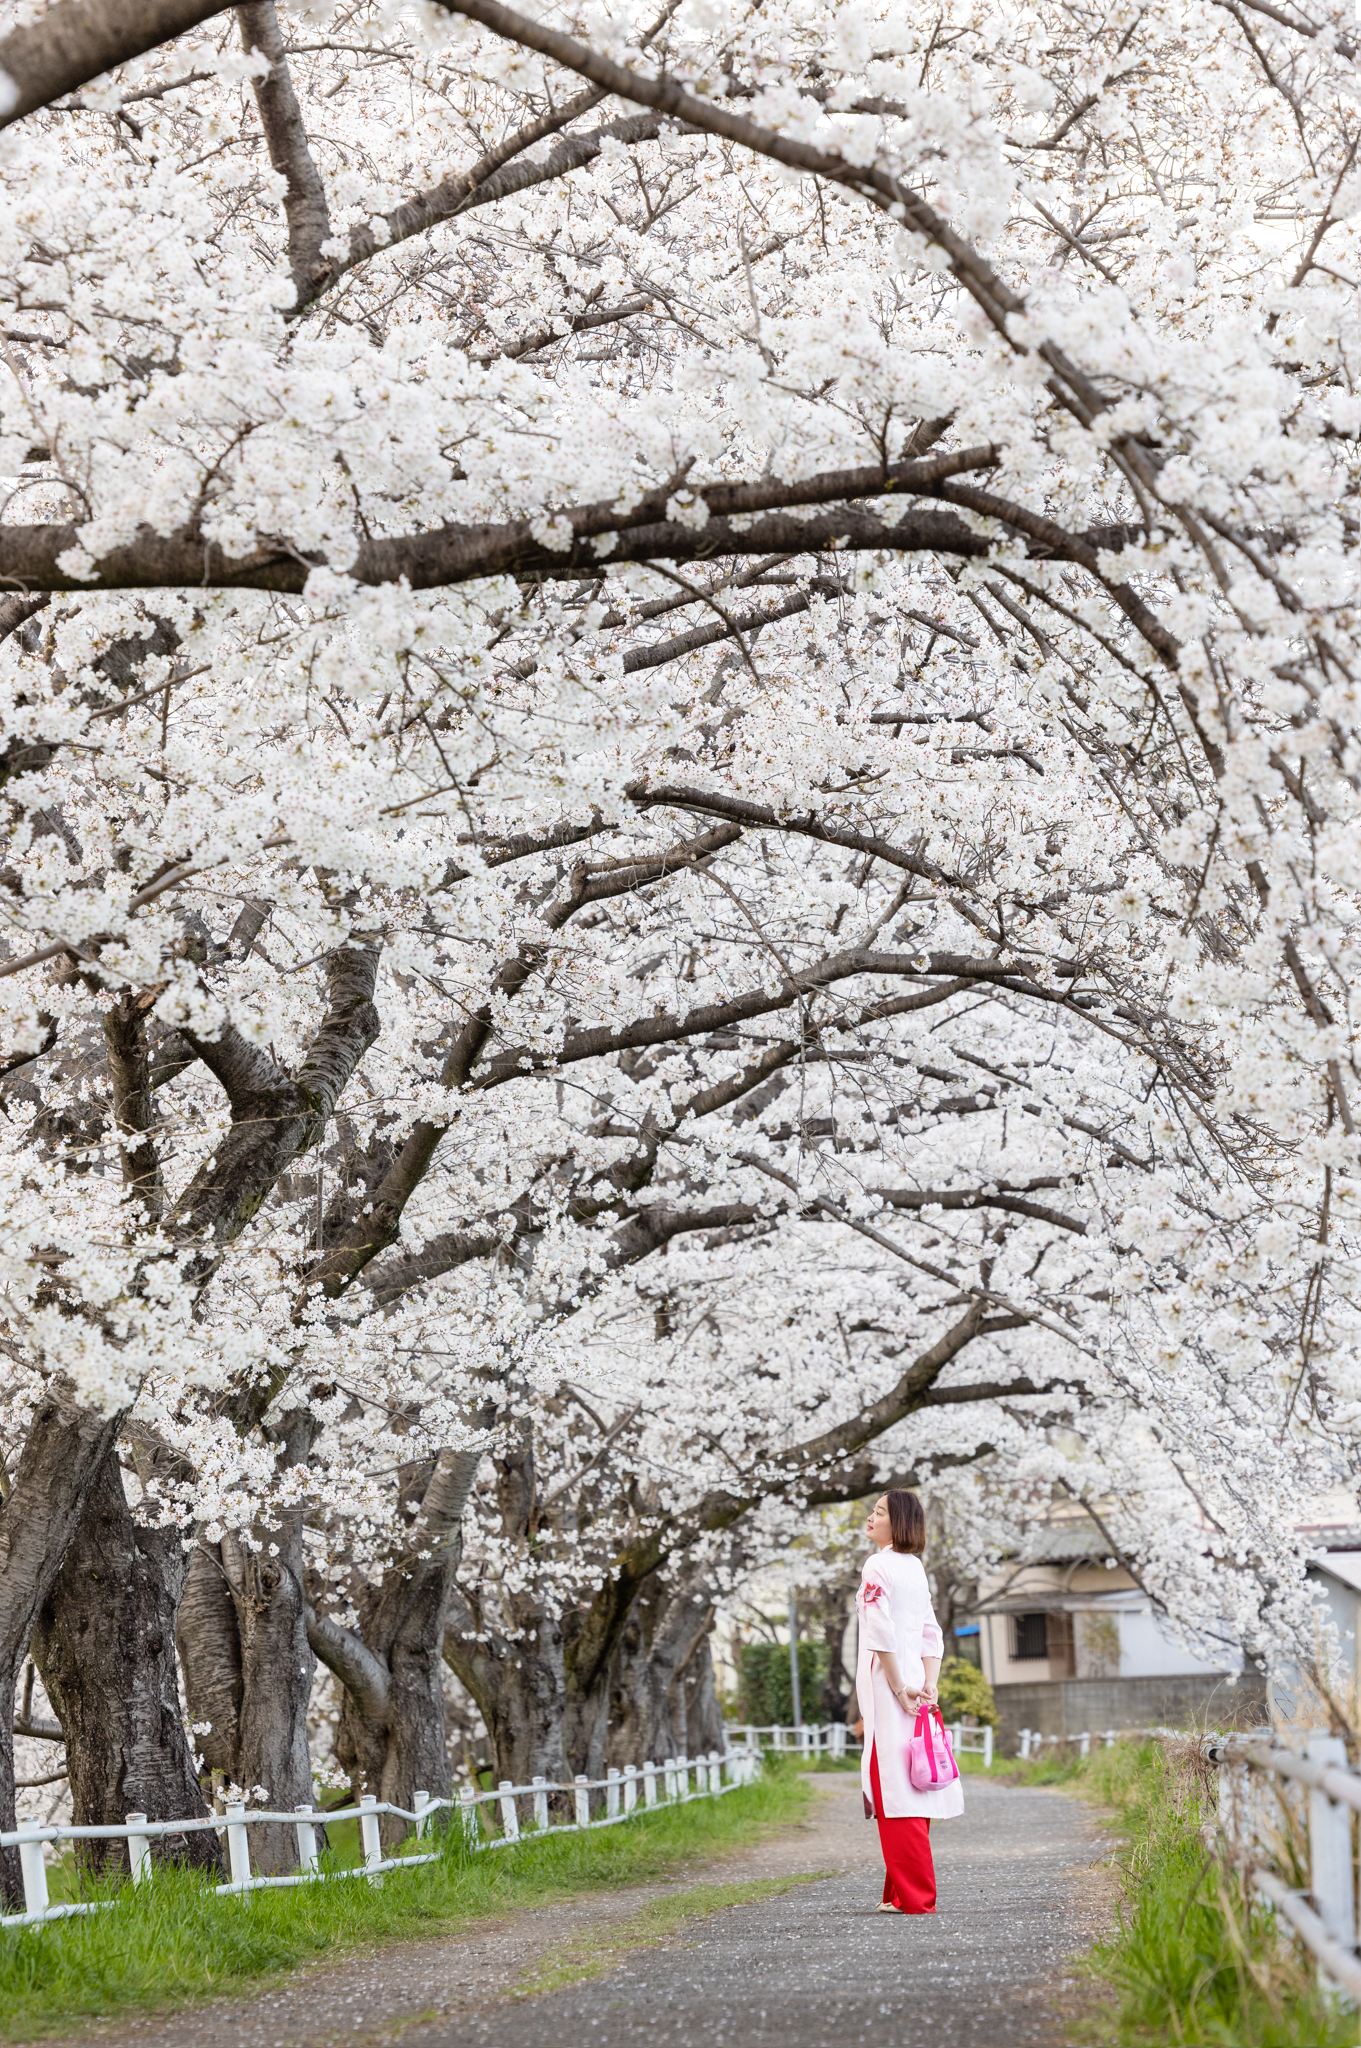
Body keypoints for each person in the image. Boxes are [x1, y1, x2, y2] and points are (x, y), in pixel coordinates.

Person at [857, 1489, 964, 1914]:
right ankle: (898, 1894)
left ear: (897, 1522)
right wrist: (928, 1683)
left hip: (893, 1690)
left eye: (879, 1512)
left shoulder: (878, 1565)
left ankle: (917, 1897)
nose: (870, 1516)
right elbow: (930, 1632)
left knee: (894, 1790)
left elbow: (879, 1632)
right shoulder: (915, 1568)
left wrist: (900, 1688)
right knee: (910, 1783)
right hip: (917, 1686)